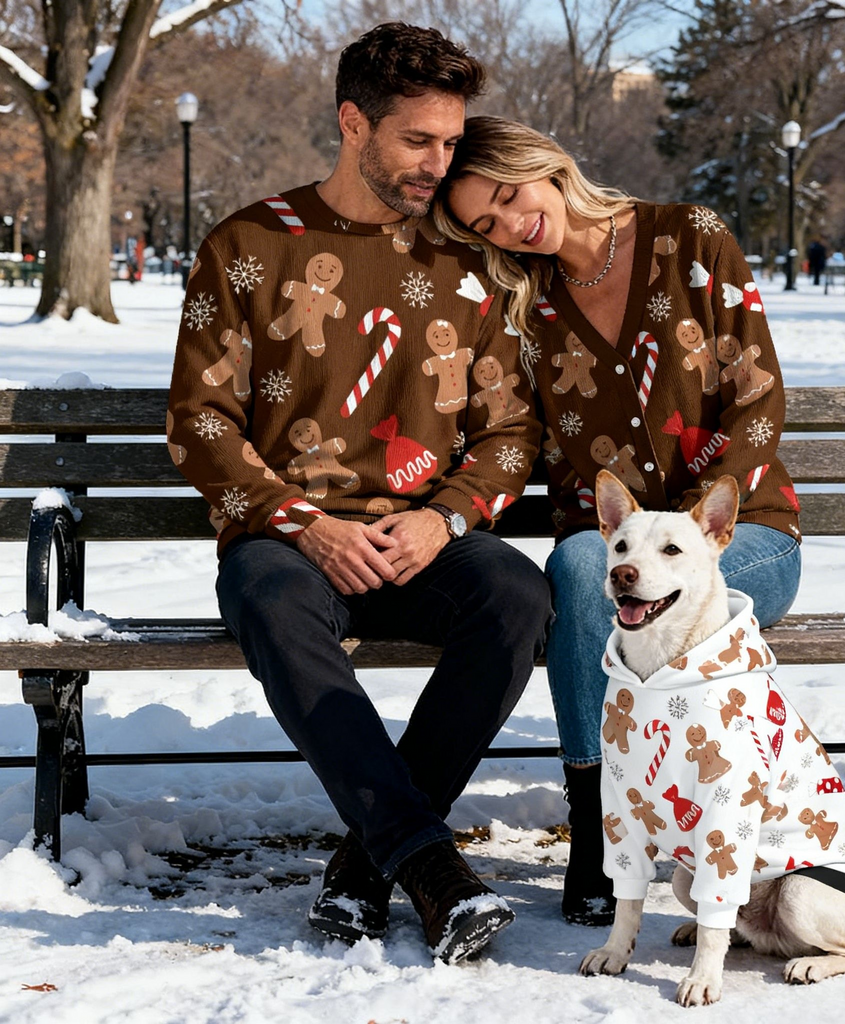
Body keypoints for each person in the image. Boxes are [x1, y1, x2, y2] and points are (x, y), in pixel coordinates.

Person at [166, 27, 551, 965]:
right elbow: (200, 420)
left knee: (516, 596)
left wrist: (443, 518)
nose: (439, 163)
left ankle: (368, 864)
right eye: (418, 140)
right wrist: (304, 525)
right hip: (286, 541)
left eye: (450, 142)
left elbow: (510, 430)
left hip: (420, 534)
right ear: (352, 123)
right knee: (269, 600)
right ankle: (428, 865)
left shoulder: (470, 262)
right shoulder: (251, 243)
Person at [433, 116, 801, 927]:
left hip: (743, 538)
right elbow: (510, 430)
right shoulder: (525, 305)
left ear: (544, 164)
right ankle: (601, 828)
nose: (511, 224)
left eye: (508, 195)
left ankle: (650, 825)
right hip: (616, 549)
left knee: (607, 586)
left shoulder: (689, 237)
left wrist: (700, 524)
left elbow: (758, 397)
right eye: (486, 224)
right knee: (577, 570)